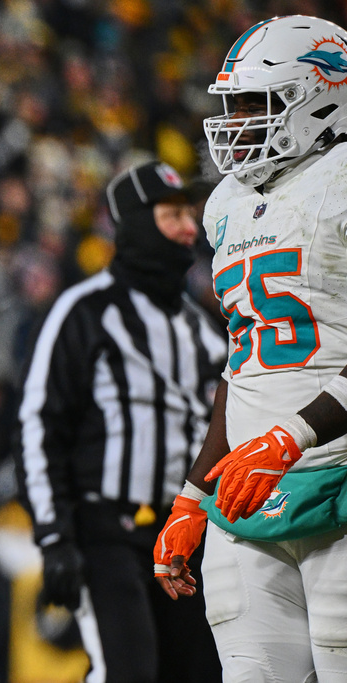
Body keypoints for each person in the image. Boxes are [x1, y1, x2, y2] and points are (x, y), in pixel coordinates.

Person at [152, 14, 347, 680]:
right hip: (248, 498)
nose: (236, 122)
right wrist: (190, 494)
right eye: (230, 106)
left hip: (339, 476)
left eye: (255, 104)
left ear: (321, 96)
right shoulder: (228, 204)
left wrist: (292, 434)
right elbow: (243, 362)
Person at [17, 160, 227, 682]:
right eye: (173, 214)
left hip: (183, 538)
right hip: (104, 531)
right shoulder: (84, 311)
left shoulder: (203, 329)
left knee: (200, 673)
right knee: (126, 672)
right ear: (134, 221)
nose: (188, 227)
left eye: (190, 214)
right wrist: (55, 537)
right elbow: (39, 427)